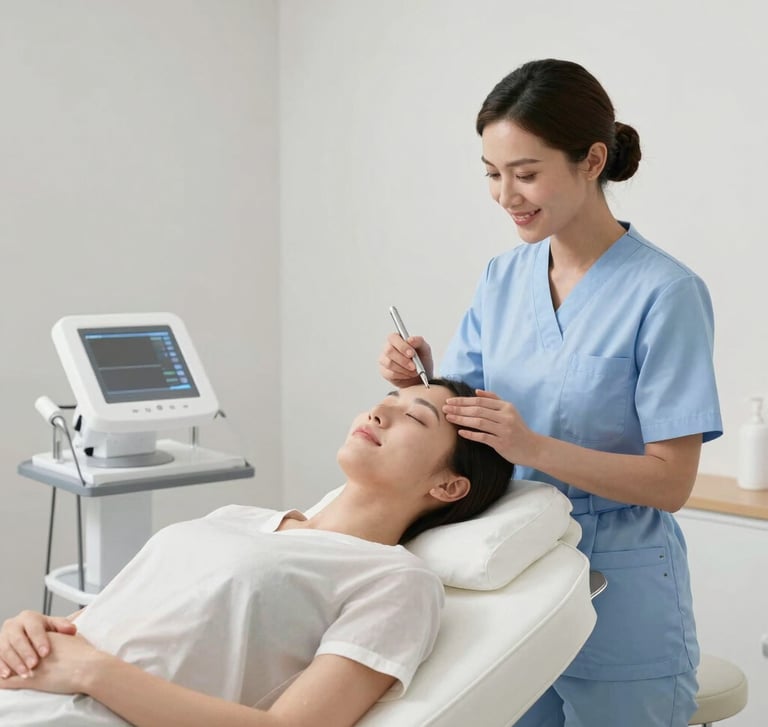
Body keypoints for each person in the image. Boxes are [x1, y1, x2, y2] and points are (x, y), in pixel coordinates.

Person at [379, 59, 722, 726]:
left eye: (526, 173)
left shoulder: (666, 293)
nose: (506, 194)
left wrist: (533, 446)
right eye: (492, 173)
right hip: (511, 584)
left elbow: (671, 482)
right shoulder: (503, 278)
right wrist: (418, 380)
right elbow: (468, 419)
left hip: (620, 592)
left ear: (592, 160)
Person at [0, 378, 513, 727]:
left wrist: (91, 672)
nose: (379, 412)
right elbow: (98, 624)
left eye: (415, 418)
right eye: (386, 399)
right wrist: (29, 631)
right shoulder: (237, 517)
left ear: (449, 486)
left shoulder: (395, 580)